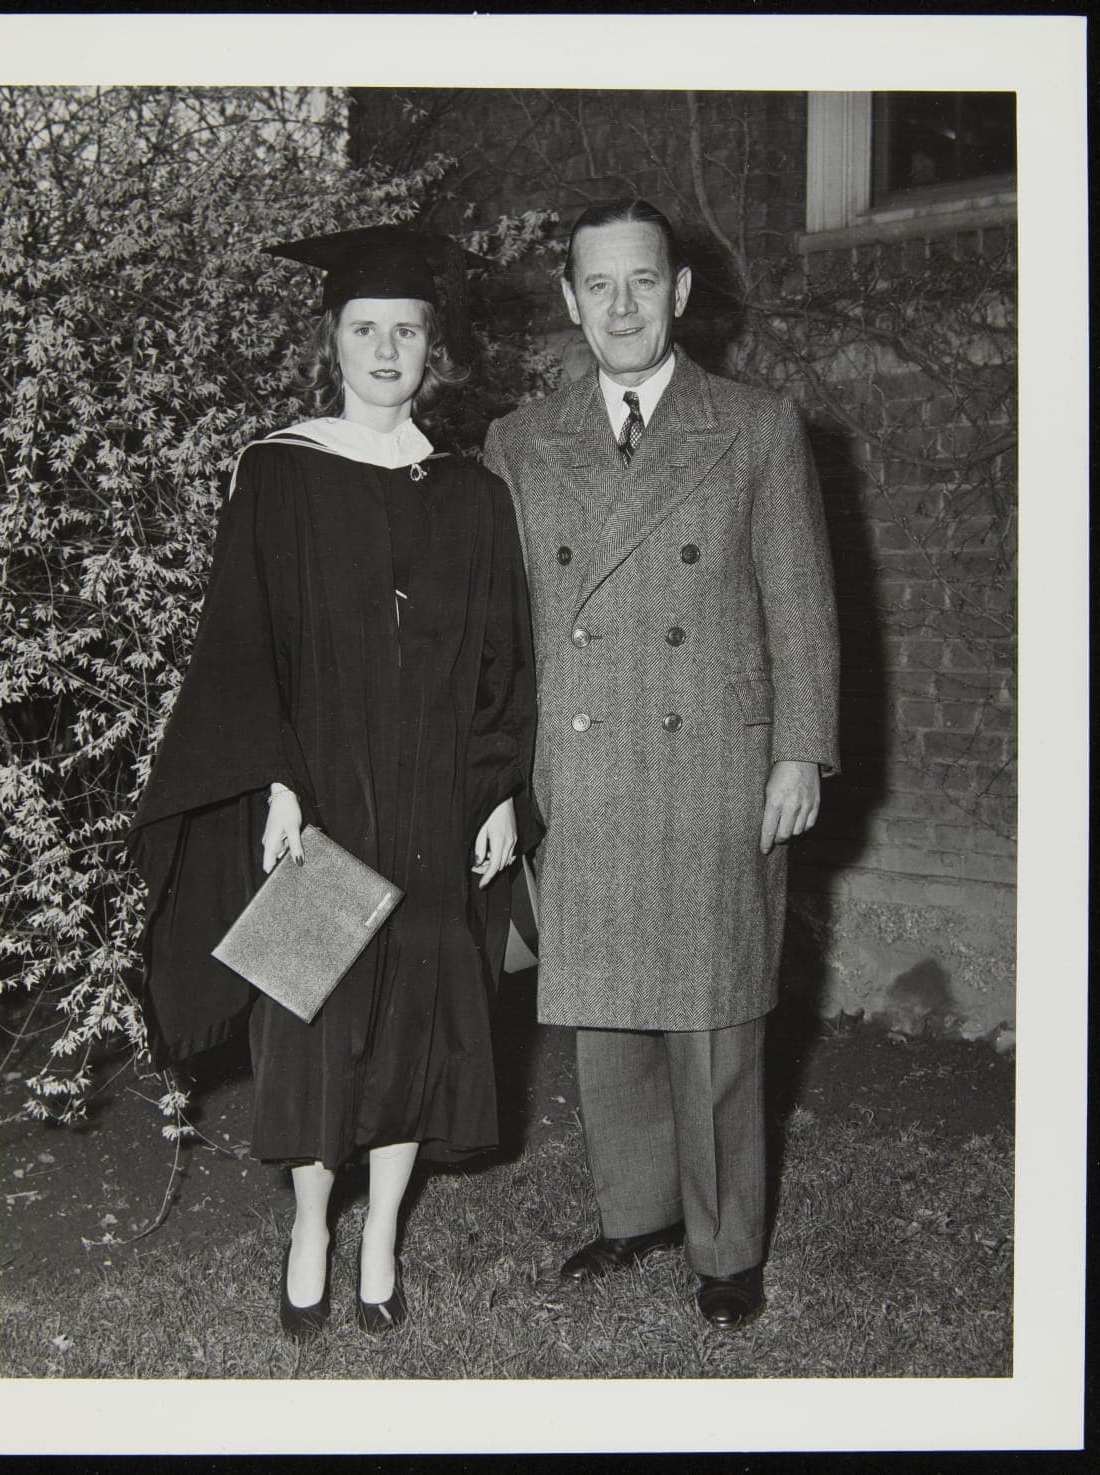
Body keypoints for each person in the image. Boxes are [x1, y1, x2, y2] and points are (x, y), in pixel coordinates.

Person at [129, 225, 538, 1339]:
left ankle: (384, 1234)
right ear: (333, 341)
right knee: (312, 1016)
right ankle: (312, 1224)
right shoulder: (281, 471)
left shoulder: (471, 495)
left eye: (408, 329)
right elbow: (241, 645)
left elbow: (506, 657)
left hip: (438, 799)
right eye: (366, 328)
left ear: (433, 348)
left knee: (417, 1012)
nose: (387, 347)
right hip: (322, 789)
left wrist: (501, 789)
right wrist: (274, 783)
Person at [484, 199, 839, 1330]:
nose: (623, 305)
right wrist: (498, 772)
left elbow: (801, 604)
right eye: (600, 286)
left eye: (644, 281)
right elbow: (499, 628)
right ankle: (636, 1211)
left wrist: (802, 751)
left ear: (681, 292)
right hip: (579, 763)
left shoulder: (758, 423)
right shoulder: (521, 439)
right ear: (570, 301)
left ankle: (727, 1242)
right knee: (606, 1013)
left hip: (713, 762)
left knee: (715, 1009)